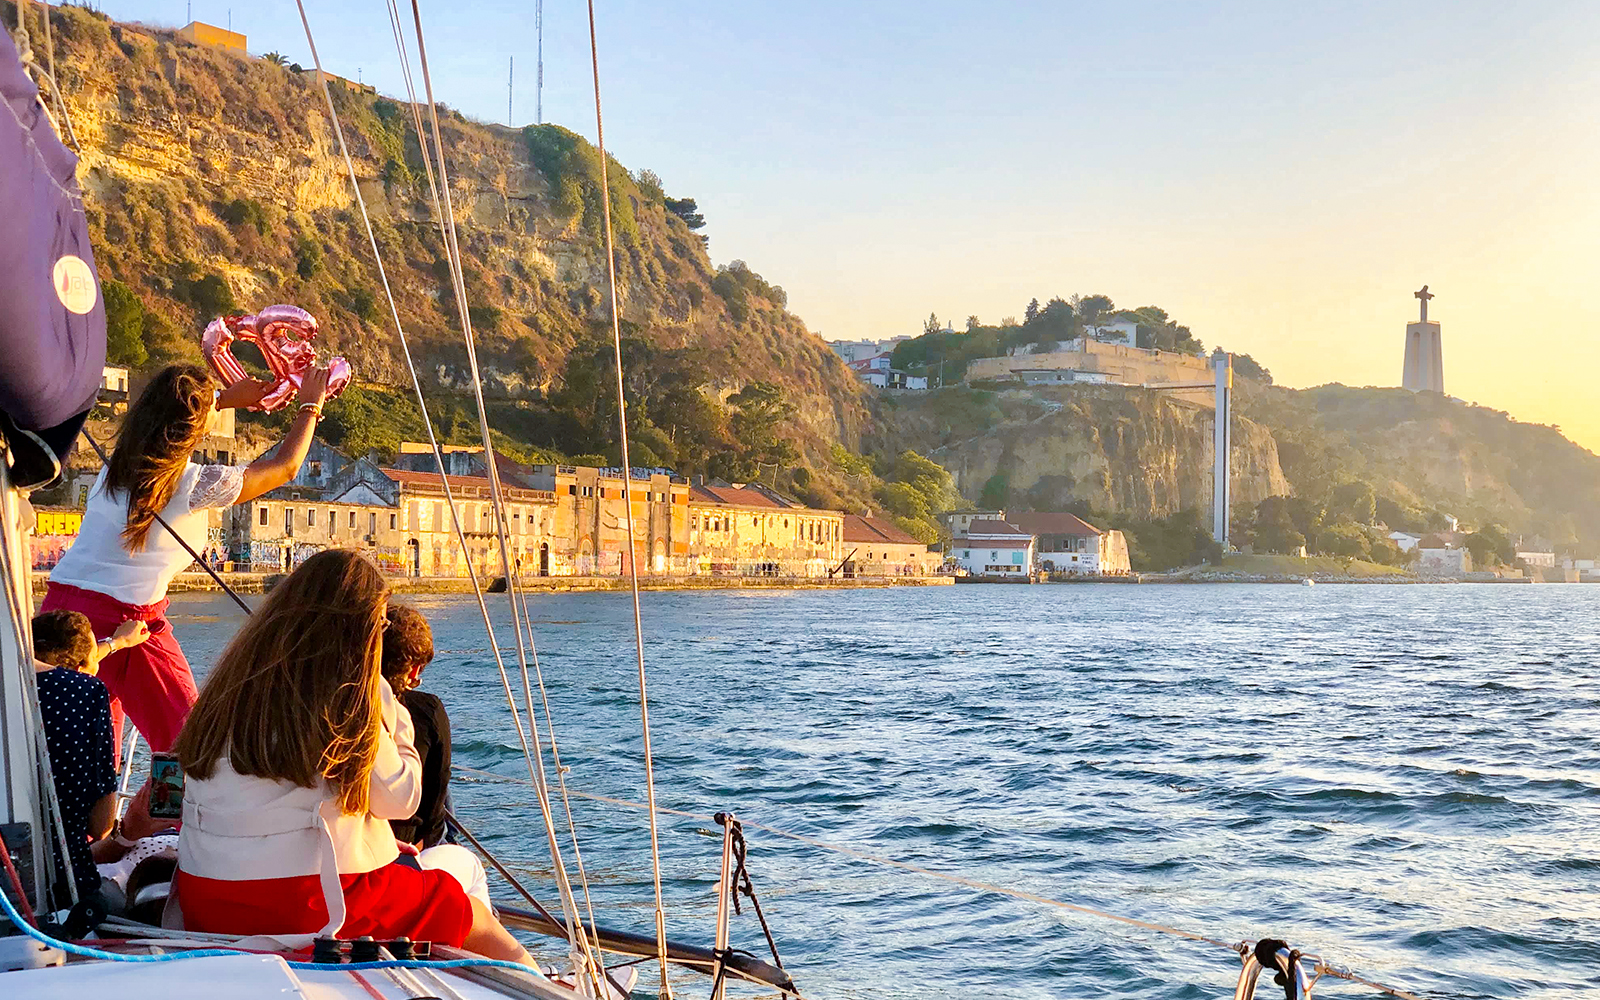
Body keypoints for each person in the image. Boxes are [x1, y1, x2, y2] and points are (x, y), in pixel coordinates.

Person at [172, 550, 537, 966]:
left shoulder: (227, 689)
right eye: (380, 623)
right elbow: (401, 800)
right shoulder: (353, 693)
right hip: (312, 904)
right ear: (362, 626)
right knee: (474, 920)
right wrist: (397, 717)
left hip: (208, 898)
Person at [41, 362, 331, 754]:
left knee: (86, 750)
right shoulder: (194, 484)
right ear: (193, 426)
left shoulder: (118, 467)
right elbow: (284, 467)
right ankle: (159, 817)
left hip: (59, 612)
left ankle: (113, 816)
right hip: (129, 620)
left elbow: (173, 412)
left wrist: (226, 399)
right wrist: (310, 406)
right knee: (190, 745)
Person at [31, 609, 151, 905]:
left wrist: (117, 643)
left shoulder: (19, 683)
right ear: (84, 665)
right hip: (63, 885)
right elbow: (99, 826)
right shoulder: (85, 691)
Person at [381, 604, 489, 908]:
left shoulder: (336, 708)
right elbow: (431, 809)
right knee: (465, 859)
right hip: (397, 857)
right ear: (413, 668)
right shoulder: (424, 711)